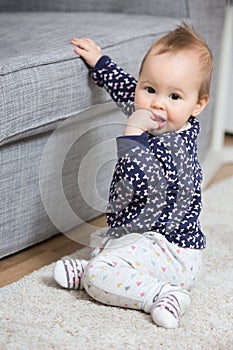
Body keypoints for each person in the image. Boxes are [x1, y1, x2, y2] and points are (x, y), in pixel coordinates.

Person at [54, 22, 213, 328]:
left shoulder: (176, 148)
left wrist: (134, 134)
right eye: (150, 88)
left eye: (174, 97)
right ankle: (96, 266)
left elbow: (134, 181)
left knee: (103, 272)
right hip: (143, 239)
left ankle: (163, 294)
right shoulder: (156, 112)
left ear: (198, 104)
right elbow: (126, 87)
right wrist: (100, 63)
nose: (157, 103)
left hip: (172, 253)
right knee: (106, 238)